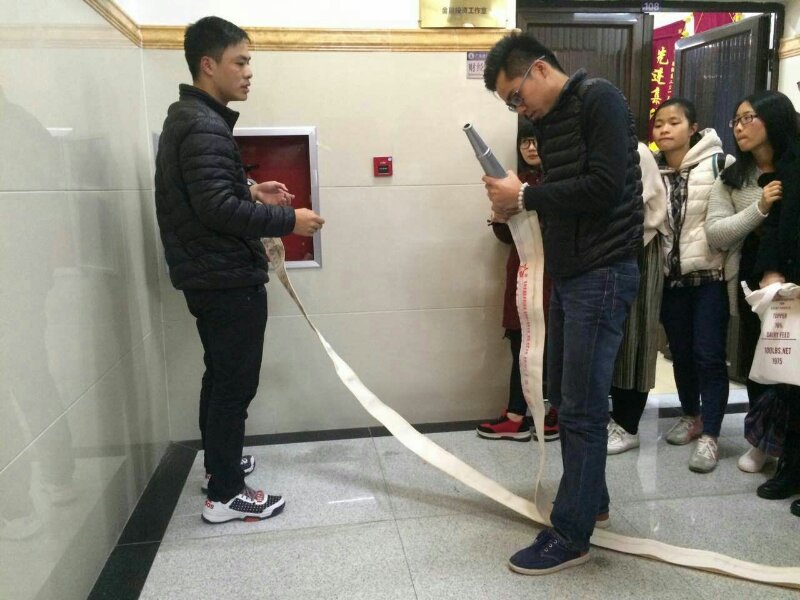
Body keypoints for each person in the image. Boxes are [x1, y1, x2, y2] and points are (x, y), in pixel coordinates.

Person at [482, 32, 643, 575]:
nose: (518, 109)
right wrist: (516, 209)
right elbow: (567, 200)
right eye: (510, 105)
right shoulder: (551, 124)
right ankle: (592, 501)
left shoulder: (601, 98)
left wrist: (526, 195)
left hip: (603, 272)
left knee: (581, 407)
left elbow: (605, 187)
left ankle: (571, 535)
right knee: (568, 396)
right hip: (572, 275)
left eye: (515, 96)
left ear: (539, 69)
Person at [154, 16, 324, 524]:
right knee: (234, 385)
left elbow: (207, 195)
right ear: (208, 65)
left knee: (221, 376)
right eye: (240, 61)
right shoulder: (203, 124)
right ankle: (227, 494)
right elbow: (217, 211)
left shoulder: (191, 118)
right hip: (225, 278)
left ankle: (218, 466)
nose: (249, 72)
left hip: (211, 274)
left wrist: (251, 189)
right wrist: (289, 220)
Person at [705, 91, 791, 473]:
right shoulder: (733, 176)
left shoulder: (793, 167)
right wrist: (760, 208)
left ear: (773, 119)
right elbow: (716, 233)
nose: (739, 127)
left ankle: (787, 445)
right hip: (752, 278)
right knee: (760, 362)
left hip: (793, 275)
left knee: (793, 364)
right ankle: (760, 441)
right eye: (735, 120)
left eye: (748, 118)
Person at [651, 98, 733, 474]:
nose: (665, 129)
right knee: (681, 354)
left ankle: (711, 435)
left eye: (674, 122)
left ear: (693, 128)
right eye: (659, 124)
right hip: (671, 281)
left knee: (709, 356)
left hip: (709, 279)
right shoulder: (652, 171)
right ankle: (691, 415)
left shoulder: (720, 165)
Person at [476, 123, 559, 443]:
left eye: (536, 140)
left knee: (555, 345)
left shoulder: (561, 181)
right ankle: (516, 416)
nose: (531, 147)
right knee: (520, 344)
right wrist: (498, 217)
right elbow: (505, 236)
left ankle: (557, 412)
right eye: (525, 141)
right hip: (522, 270)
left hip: (555, 274)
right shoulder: (514, 181)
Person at [744, 92, 800, 516]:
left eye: (750, 117)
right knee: (792, 384)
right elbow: (779, 222)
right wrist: (771, 271)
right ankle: (792, 468)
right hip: (792, 285)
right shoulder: (789, 164)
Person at [606, 142, 667, 454]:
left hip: (641, 246)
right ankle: (617, 418)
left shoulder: (635, 151)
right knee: (617, 340)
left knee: (637, 339)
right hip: (612, 250)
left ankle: (628, 425)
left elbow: (637, 206)